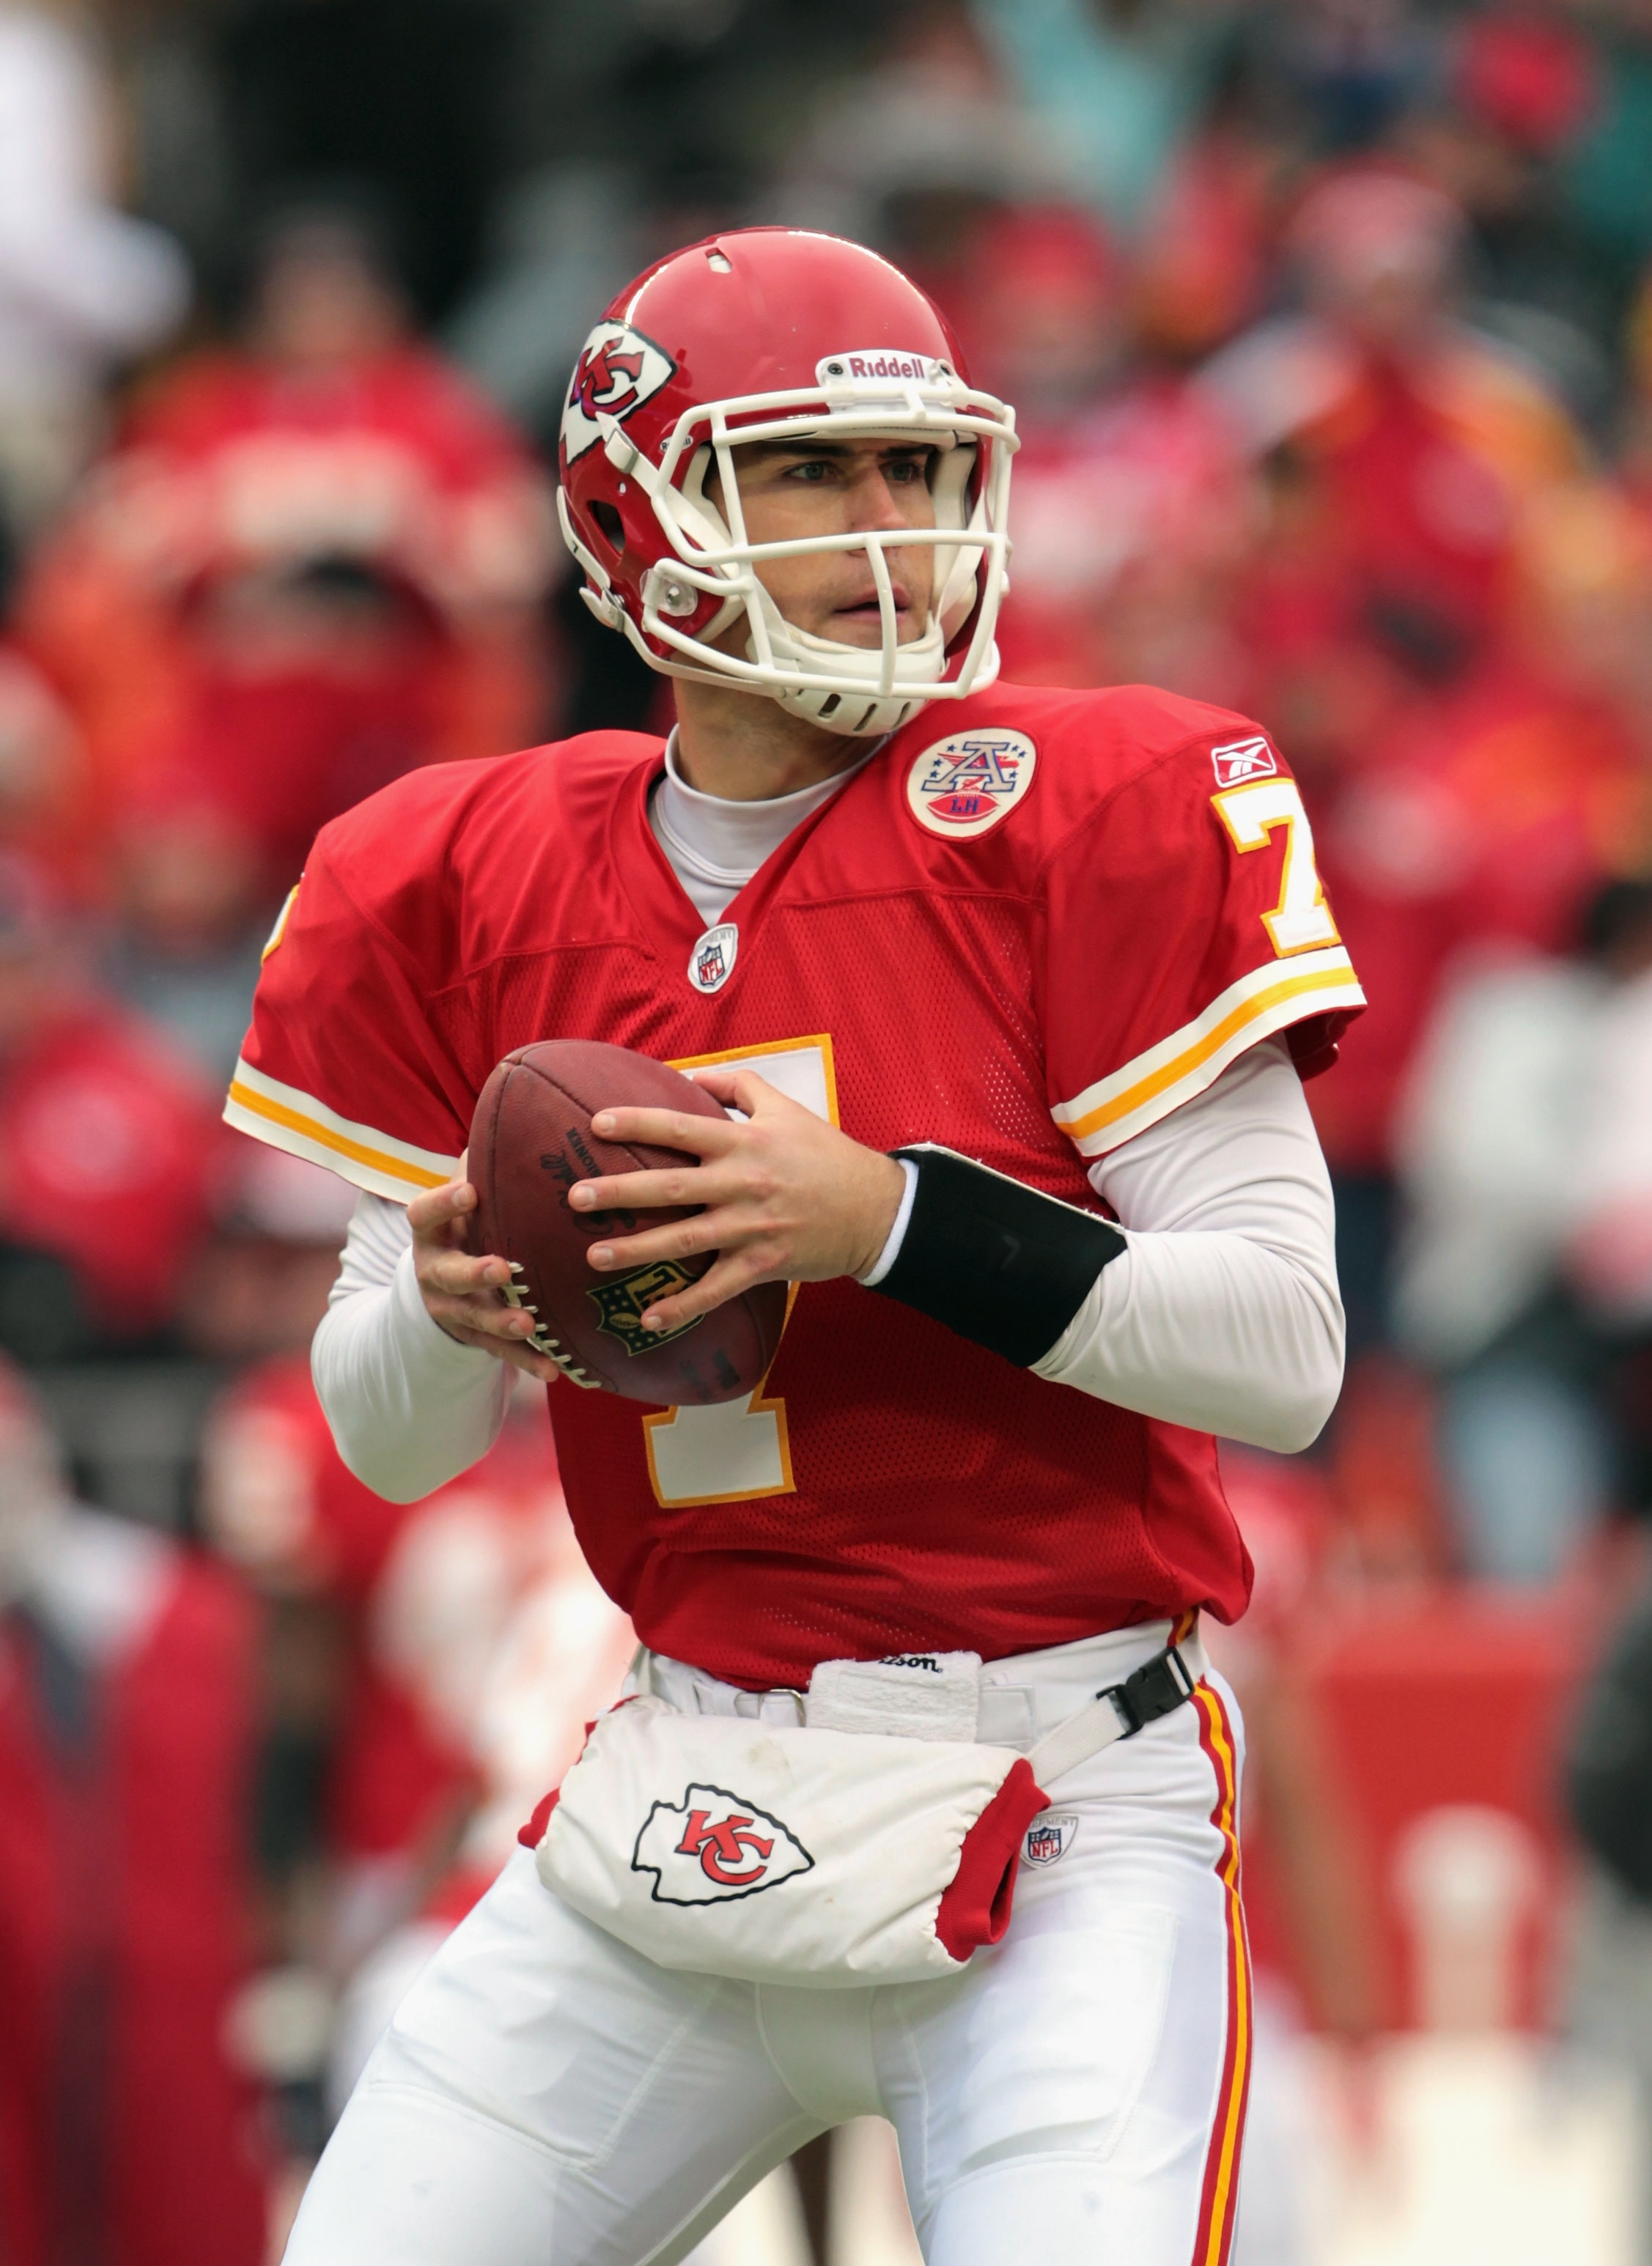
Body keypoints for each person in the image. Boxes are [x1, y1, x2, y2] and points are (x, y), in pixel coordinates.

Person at [224, 227, 1362, 2265]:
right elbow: (383, 1447)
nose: (884, 529)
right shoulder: (462, 868)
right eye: (807, 472)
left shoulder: (1087, 799)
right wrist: (438, 1296)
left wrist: (888, 1218)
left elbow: (1284, 1348)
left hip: (1061, 1795)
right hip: (682, 1763)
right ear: (629, 515)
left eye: (915, 472)